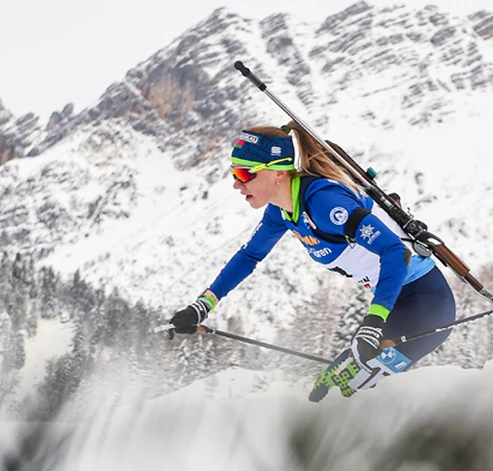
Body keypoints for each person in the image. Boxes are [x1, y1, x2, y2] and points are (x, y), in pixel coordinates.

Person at [167, 123, 456, 401]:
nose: (236, 184)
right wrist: (202, 306)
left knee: (346, 397)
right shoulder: (281, 211)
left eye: (245, 174)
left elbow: (394, 251)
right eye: (234, 174)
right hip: (395, 305)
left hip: (426, 304)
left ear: (279, 173)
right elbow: (249, 256)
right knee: (329, 395)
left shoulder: (325, 203)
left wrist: (373, 322)